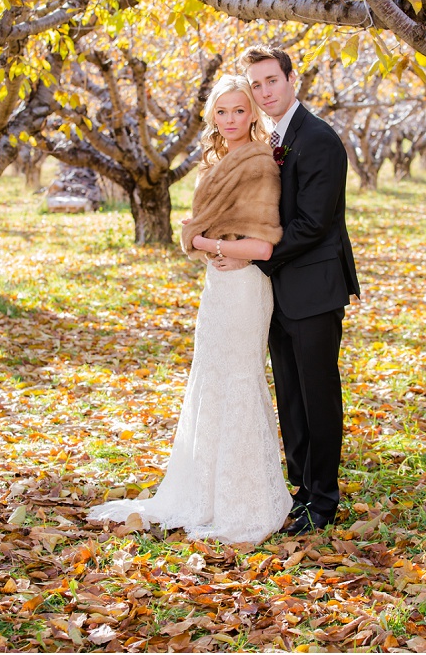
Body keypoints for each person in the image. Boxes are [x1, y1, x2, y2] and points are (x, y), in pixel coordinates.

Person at [88, 76, 291, 544]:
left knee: (241, 378)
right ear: (212, 117)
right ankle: (203, 491)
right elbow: (195, 233)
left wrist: (223, 245)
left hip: (245, 287)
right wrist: (208, 244)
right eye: (222, 112)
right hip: (216, 285)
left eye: (240, 110)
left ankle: (247, 500)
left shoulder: (262, 162)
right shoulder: (213, 161)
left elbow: (265, 240)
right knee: (210, 378)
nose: (231, 119)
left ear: (253, 114)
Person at [219, 45, 359, 536]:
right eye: (255, 85)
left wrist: (253, 253)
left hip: (314, 288)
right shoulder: (270, 139)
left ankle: (322, 499)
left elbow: (313, 225)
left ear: (290, 79)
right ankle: (299, 487)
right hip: (274, 291)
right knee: (292, 396)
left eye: (270, 81)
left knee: (318, 395)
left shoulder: (317, 138)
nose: (264, 92)